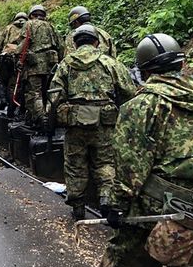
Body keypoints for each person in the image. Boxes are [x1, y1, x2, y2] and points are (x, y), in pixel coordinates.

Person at [83, 33, 193, 267]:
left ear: (145, 71)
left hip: (159, 210)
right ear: (181, 64)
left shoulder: (143, 106)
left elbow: (130, 166)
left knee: (123, 261)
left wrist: (116, 206)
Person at [45, 25, 136, 220]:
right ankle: (105, 198)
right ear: (96, 42)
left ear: (75, 43)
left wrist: (52, 120)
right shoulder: (110, 63)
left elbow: (54, 97)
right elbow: (129, 92)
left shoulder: (66, 64)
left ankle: (78, 207)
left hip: (75, 123)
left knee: (75, 164)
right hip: (105, 124)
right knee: (105, 162)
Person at [15, 5, 64, 127]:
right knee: (48, 91)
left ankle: (41, 119)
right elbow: (61, 46)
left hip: (34, 65)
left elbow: (23, 44)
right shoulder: (51, 26)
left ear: (31, 15)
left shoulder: (29, 24)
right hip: (51, 64)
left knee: (34, 93)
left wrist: (18, 59)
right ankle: (49, 116)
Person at [0, 12, 28, 114]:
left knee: (5, 82)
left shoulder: (9, 28)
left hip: (8, 58)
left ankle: (8, 107)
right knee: (20, 84)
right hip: (22, 58)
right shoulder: (29, 27)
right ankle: (20, 109)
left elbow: (0, 43)